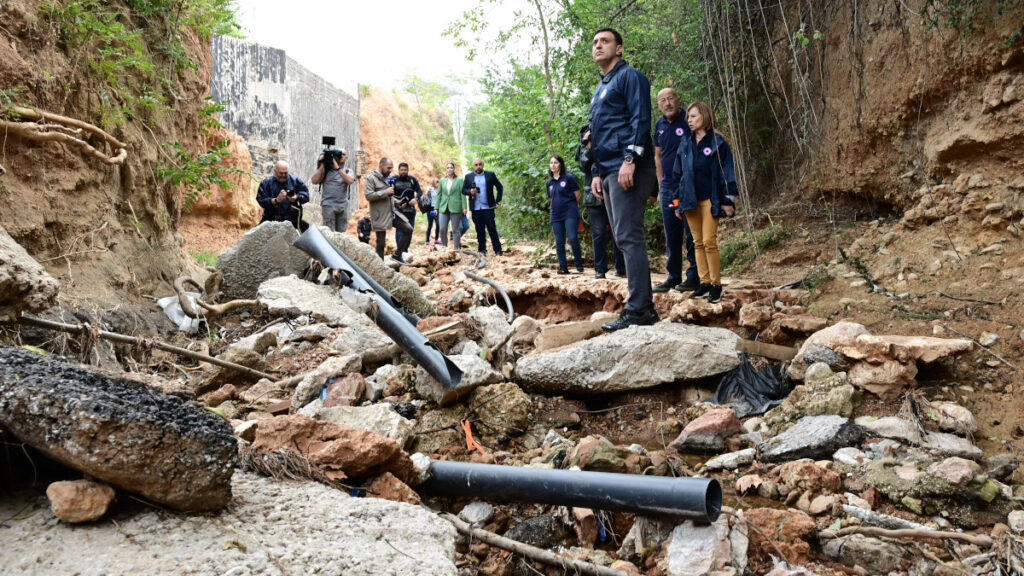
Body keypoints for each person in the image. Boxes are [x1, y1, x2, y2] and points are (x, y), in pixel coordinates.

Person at [587, 28, 659, 332]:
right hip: (609, 171)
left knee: (629, 236)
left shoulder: (631, 77)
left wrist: (630, 159)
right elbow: (595, 135)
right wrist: (596, 172)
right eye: (594, 43)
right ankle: (644, 307)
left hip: (628, 168)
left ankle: (639, 309)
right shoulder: (602, 87)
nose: (598, 45)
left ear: (619, 48)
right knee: (622, 237)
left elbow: (640, 119)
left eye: (605, 41)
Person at [667, 101, 738, 304]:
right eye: (688, 117)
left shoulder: (718, 142)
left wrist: (728, 199)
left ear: (705, 117)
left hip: (710, 199)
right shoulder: (685, 143)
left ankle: (716, 284)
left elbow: (727, 171)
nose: (689, 120)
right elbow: (677, 173)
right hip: (690, 200)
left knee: (709, 241)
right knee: (697, 243)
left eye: (694, 116)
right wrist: (677, 201)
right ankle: (704, 282)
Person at [653, 88, 700, 293]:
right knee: (671, 232)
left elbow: (706, 138)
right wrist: (661, 182)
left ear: (678, 99)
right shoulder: (660, 125)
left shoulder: (688, 120)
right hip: (668, 188)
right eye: (663, 100)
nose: (667, 103)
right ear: (658, 105)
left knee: (691, 231)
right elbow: (658, 155)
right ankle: (673, 276)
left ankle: (695, 276)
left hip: (688, 186)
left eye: (670, 98)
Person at [577, 126, 625, 280]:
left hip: (613, 190)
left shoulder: (610, 135)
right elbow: (583, 166)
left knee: (618, 231)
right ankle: (600, 269)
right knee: (598, 233)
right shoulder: (584, 142)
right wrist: (589, 145)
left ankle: (622, 268)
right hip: (594, 196)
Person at [364, 157, 414, 263]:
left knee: (408, 229)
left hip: (392, 213)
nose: (390, 170)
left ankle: (397, 255)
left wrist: (398, 202)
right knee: (381, 243)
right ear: (381, 166)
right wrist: (385, 192)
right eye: (388, 168)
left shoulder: (387, 178)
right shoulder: (371, 178)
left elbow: (390, 195)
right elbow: (369, 196)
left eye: (391, 168)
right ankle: (380, 267)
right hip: (380, 215)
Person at [546, 155, 584, 274]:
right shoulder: (549, 182)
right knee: (559, 241)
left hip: (570, 212)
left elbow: (578, 195)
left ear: (561, 164)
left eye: (555, 163)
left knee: (573, 237)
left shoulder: (568, 178)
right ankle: (563, 267)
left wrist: (571, 207)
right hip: (556, 215)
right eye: (551, 163)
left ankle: (579, 263)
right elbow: (552, 198)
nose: (553, 165)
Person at [462, 158, 504, 256]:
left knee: (492, 229)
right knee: (479, 230)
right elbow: (463, 190)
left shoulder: (490, 175)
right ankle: (482, 250)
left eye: (480, 164)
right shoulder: (468, 177)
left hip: (488, 207)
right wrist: (470, 192)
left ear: (483, 165)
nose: (478, 166)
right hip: (476, 208)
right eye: (476, 165)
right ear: (474, 166)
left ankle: (498, 250)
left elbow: (500, 187)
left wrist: (497, 201)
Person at [312, 147, 356, 233]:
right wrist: (322, 165)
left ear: (346, 157)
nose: (341, 156)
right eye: (339, 154)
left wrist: (338, 168)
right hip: (328, 205)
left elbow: (350, 181)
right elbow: (314, 181)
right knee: (329, 233)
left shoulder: (348, 171)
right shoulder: (326, 171)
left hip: (342, 206)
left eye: (343, 154)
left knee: (342, 233)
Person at [256, 160, 310, 230]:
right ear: (275, 171)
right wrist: (275, 200)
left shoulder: (296, 181)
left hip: (293, 222)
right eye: (281, 173)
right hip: (270, 221)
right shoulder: (266, 183)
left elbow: (306, 196)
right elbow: (260, 200)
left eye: (286, 173)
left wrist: (296, 197)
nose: (283, 175)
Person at [436, 161, 466, 249]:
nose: (449, 169)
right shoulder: (442, 181)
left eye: (451, 168)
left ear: (454, 169)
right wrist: (436, 207)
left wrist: (464, 207)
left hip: (456, 207)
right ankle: (444, 248)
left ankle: (456, 249)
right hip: (443, 207)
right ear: (446, 169)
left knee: (455, 230)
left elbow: (463, 194)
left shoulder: (460, 180)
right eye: (448, 168)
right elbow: (439, 195)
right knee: (442, 228)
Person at [392, 162, 421, 248]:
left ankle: (405, 251)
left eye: (405, 170)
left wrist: (415, 199)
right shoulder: (393, 180)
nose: (403, 172)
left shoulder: (412, 180)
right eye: (402, 170)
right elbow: (388, 193)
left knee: (409, 231)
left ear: (408, 170)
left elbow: (420, 191)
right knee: (400, 231)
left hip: (410, 210)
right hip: (398, 210)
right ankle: (399, 251)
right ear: (398, 170)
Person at [420, 179, 439, 245]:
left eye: (438, 182)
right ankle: (427, 241)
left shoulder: (439, 190)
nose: (437, 184)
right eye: (436, 182)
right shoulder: (430, 188)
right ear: (433, 183)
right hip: (431, 209)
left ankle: (436, 239)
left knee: (438, 224)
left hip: (437, 209)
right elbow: (426, 197)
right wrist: (428, 193)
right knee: (430, 225)